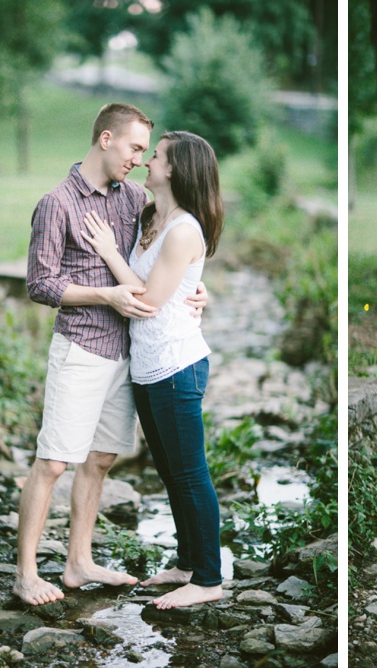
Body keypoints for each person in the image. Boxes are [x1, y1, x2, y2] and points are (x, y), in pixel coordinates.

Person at [18, 103, 208, 606]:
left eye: (148, 152)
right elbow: (40, 284)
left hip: (128, 353)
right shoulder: (56, 203)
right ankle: (27, 573)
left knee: (100, 459)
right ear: (106, 139)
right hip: (81, 348)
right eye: (134, 148)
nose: (140, 160)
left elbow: (168, 253)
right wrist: (104, 295)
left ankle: (78, 562)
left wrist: (197, 287)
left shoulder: (135, 199)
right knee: (54, 462)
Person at [83, 130, 225, 609]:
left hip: (175, 366)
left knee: (190, 473)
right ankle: (187, 562)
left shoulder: (184, 229)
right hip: (146, 366)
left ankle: (208, 579)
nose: (146, 161)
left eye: (156, 156)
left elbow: (145, 301)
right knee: (170, 471)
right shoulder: (150, 213)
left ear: (176, 169)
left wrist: (106, 252)